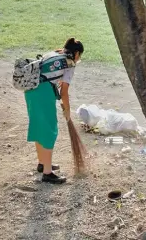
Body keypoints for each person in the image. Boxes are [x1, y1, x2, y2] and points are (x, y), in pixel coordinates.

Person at [25, 37, 84, 184]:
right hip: (43, 93)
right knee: (50, 130)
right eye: (80, 55)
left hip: (30, 90)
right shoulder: (70, 64)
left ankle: (42, 163)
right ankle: (47, 173)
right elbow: (64, 92)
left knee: (39, 126)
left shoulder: (53, 54)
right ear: (76, 54)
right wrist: (68, 111)